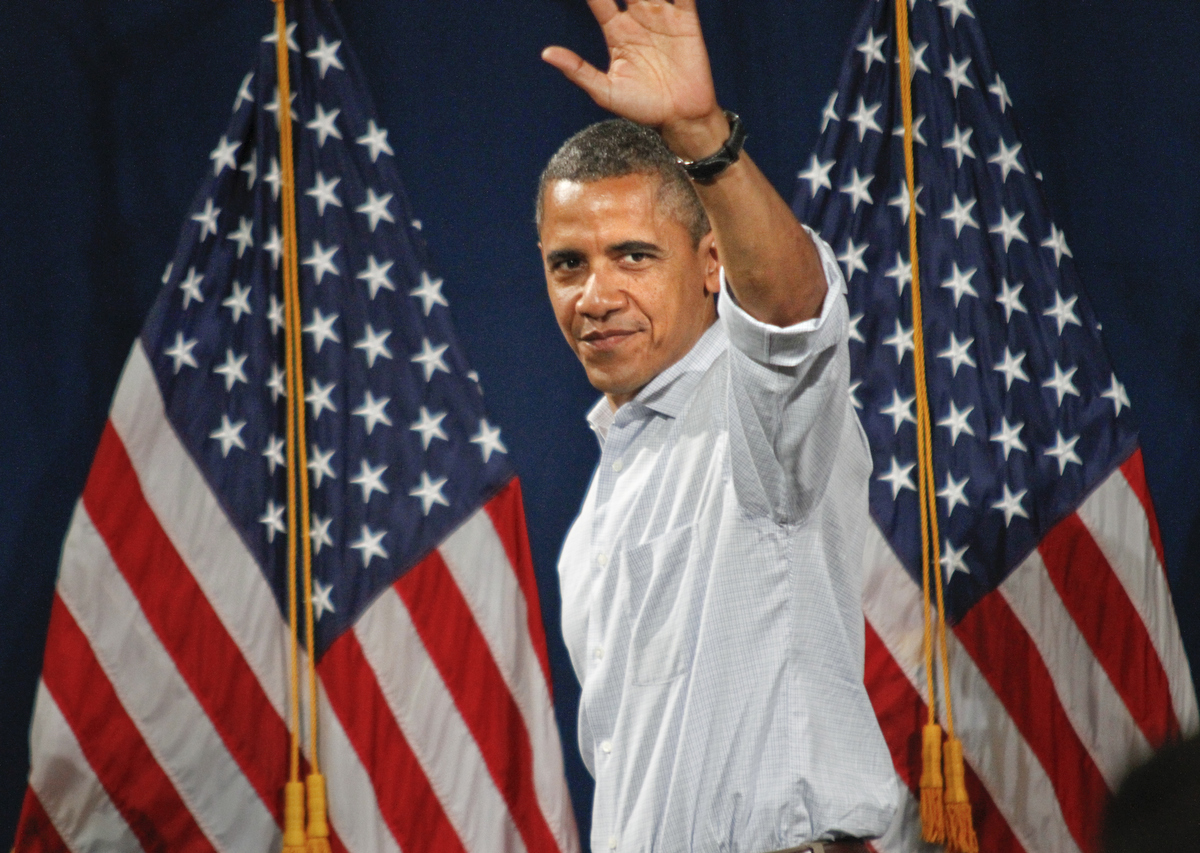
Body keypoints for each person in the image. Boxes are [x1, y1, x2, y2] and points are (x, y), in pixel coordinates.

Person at [536, 1, 898, 851]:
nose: (596, 295)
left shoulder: (754, 410)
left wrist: (701, 133)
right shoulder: (597, 508)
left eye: (633, 254)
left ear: (710, 265)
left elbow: (791, 311)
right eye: (568, 264)